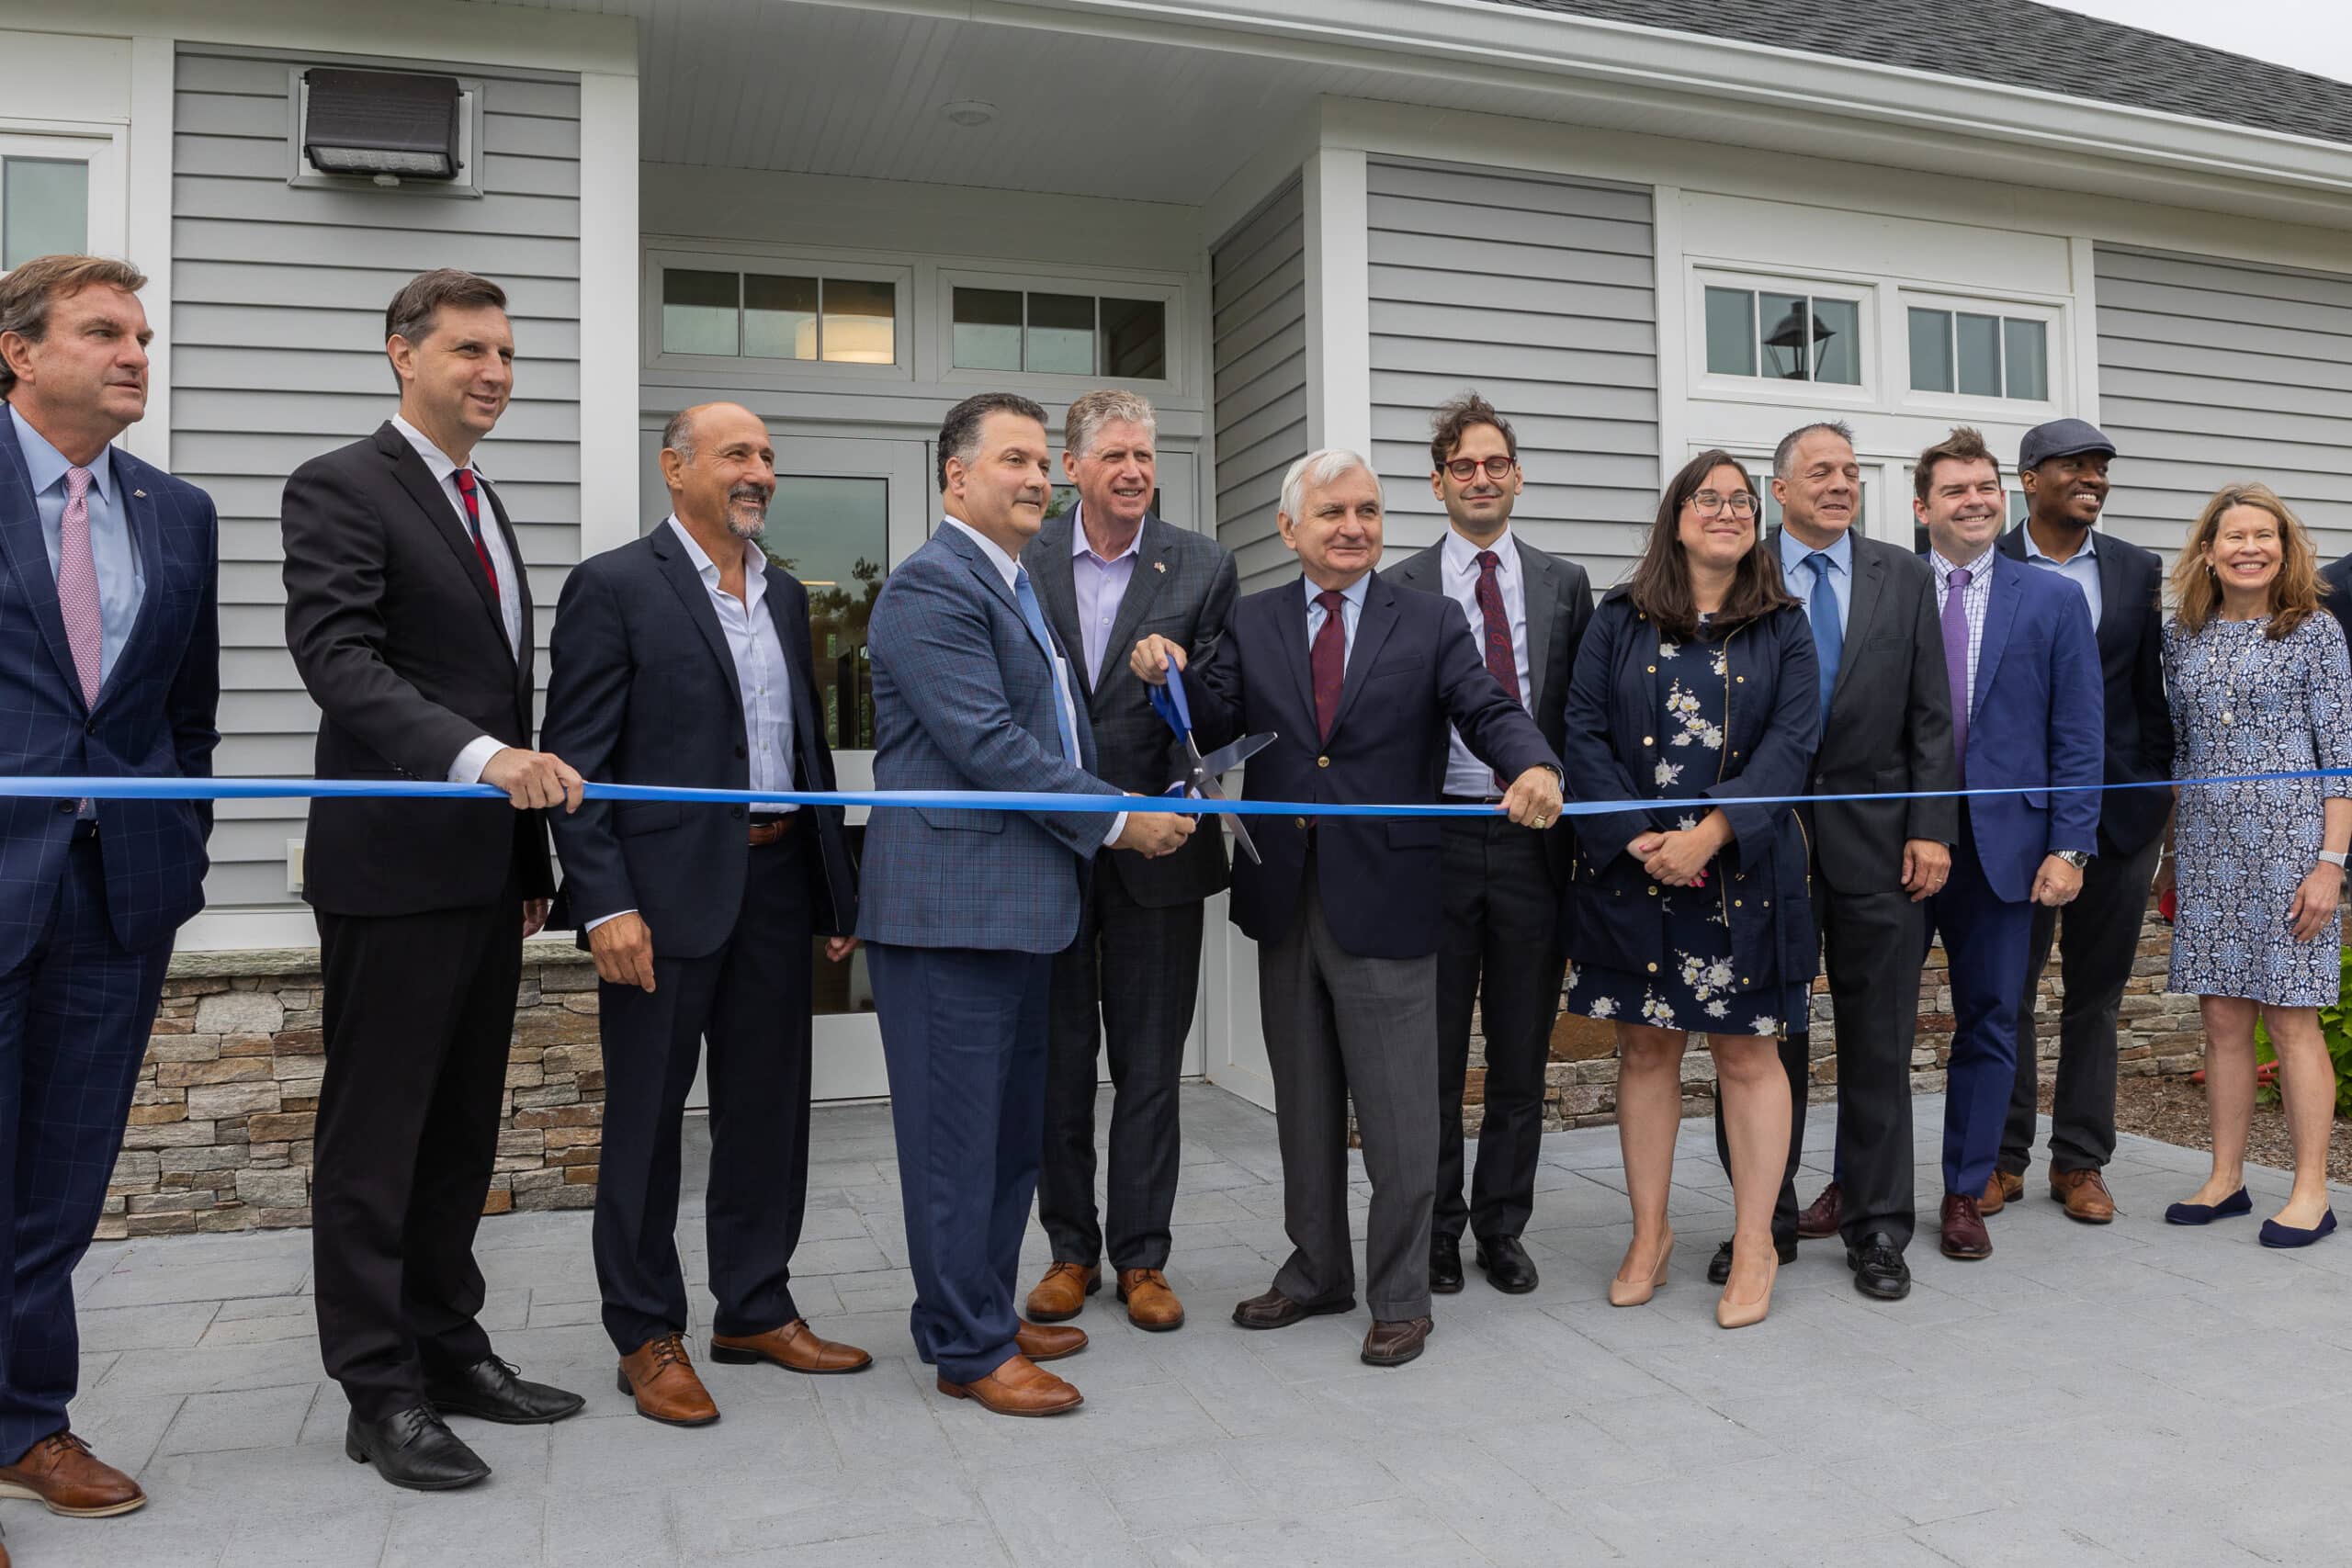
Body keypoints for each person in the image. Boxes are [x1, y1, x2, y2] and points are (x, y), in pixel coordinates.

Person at [1134, 448, 1562, 1368]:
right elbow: (1207, 721)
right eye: (1331, 513)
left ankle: (1401, 1293)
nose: (1352, 527)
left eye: (1366, 510)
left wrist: (1531, 762)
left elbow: (1487, 707)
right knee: (1306, 1102)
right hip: (1285, 894)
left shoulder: (1433, 619)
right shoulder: (1252, 622)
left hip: (1393, 893)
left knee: (1403, 1113)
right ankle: (1316, 1269)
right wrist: (1162, 668)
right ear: (1291, 530)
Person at [283, 269, 586, 1492]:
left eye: (508, 353)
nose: (496, 373)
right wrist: (483, 765)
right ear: (401, 355)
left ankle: (450, 1349)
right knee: (377, 1141)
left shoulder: (483, 502)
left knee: (461, 1134)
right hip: (393, 869)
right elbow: (337, 659)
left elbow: (500, 694)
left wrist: (527, 859)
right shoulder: (342, 485)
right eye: (470, 350)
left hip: (481, 879)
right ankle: (378, 1385)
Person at [859, 392, 1194, 1418]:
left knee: (1009, 1140)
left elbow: (1056, 740)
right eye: (1011, 460)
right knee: (957, 1145)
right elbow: (992, 749)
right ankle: (968, 1348)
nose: (1035, 478)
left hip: (1016, 910)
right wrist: (1119, 821)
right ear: (955, 476)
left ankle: (973, 1313)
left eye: (1041, 461)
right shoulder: (930, 587)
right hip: (949, 914)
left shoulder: (1010, 584)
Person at [541, 403, 869, 1426]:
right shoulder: (614, 586)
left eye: (768, 456)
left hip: (774, 883)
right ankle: (645, 1331)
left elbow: (801, 750)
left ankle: (754, 1308)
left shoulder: (783, 597)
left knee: (768, 1110)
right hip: (660, 894)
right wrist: (606, 903)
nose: (759, 472)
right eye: (737, 454)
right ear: (674, 467)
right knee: (646, 1121)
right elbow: (576, 757)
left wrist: (831, 886)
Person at [0, 254, 218, 1520]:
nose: (135, 351)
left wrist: (178, 848)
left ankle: (31, 1420)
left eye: (141, 333)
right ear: (19, 352)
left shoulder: (176, 510)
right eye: (102, 331)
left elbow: (183, 715)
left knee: (60, 1186)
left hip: (114, 896)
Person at [1558, 450, 1816, 1331]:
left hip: (1742, 873)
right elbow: (1581, 731)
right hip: (1635, 876)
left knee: (1749, 1056)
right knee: (1645, 1051)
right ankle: (1650, 1234)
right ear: (1677, 516)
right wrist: (1637, 840)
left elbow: (1795, 743)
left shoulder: (1784, 622)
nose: (1726, 511)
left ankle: (1754, 1243)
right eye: (1709, 498)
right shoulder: (1617, 619)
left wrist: (1709, 833)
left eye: (1742, 501)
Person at [1721, 423, 1956, 1303]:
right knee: (1759, 1044)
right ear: (1777, 490)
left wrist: (1932, 827)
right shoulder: (1741, 568)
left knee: (1879, 1043)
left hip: (1883, 844)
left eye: (1851, 472)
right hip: (1760, 841)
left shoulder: (1904, 573)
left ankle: (1877, 1227)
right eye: (1819, 471)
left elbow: (1932, 713)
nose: (1840, 483)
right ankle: (1763, 1224)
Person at [1022, 390, 1237, 1335]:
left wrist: (1180, 670)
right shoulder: (1020, 556)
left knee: (1149, 1067)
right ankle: (1070, 1251)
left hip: (1160, 854)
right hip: (1048, 850)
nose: (1134, 470)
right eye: (1113, 454)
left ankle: (1142, 1257)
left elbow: (1228, 699)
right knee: (1058, 1065)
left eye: (1144, 455)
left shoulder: (1200, 563)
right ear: (1073, 466)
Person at [1385, 392, 1590, 1296]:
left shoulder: (1562, 584)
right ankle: (1432, 1231)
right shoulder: (1396, 590)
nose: (1480, 478)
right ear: (1436, 484)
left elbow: (1577, 718)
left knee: (1517, 1051)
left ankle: (1501, 1227)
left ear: (1517, 476)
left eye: (1494, 463)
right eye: (1462, 466)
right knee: (1428, 1057)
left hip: (1529, 849)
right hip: (1430, 844)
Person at [1909, 427, 2102, 1261]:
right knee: (1877, 1022)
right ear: (1923, 508)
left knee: (1991, 1018)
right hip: (1899, 849)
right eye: (1955, 490)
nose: (1976, 500)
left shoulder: (2052, 599)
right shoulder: (1894, 589)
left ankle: (1965, 1188)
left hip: (2008, 850)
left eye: (1986, 486)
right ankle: (1868, 1183)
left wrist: (2071, 844)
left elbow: (2079, 732)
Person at [1990, 419, 2172, 1225]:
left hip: (2121, 820)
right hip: (2019, 821)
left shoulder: (2135, 569)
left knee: (2094, 998)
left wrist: (2154, 794)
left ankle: (2081, 1163)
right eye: (2075, 465)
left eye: (2101, 467)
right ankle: (2001, 1160)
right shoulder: (1986, 564)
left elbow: (2147, 694)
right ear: (2030, 478)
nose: (2093, 477)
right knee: (2007, 992)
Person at [2160, 484, 2349, 1247]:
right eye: (2232, 535)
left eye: (2263, 536)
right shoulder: (2183, 635)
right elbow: (2178, 753)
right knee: (2222, 1019)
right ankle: (2225, 1176)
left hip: (2292, 850)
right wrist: (2173, 859)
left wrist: (2332, 863)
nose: (2248, 548)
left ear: (2283, 548)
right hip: (2209, 850)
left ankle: (2311, 1190)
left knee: (2291, 1019)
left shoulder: (2314, 633)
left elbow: (2342, 762)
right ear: (2208, 550)